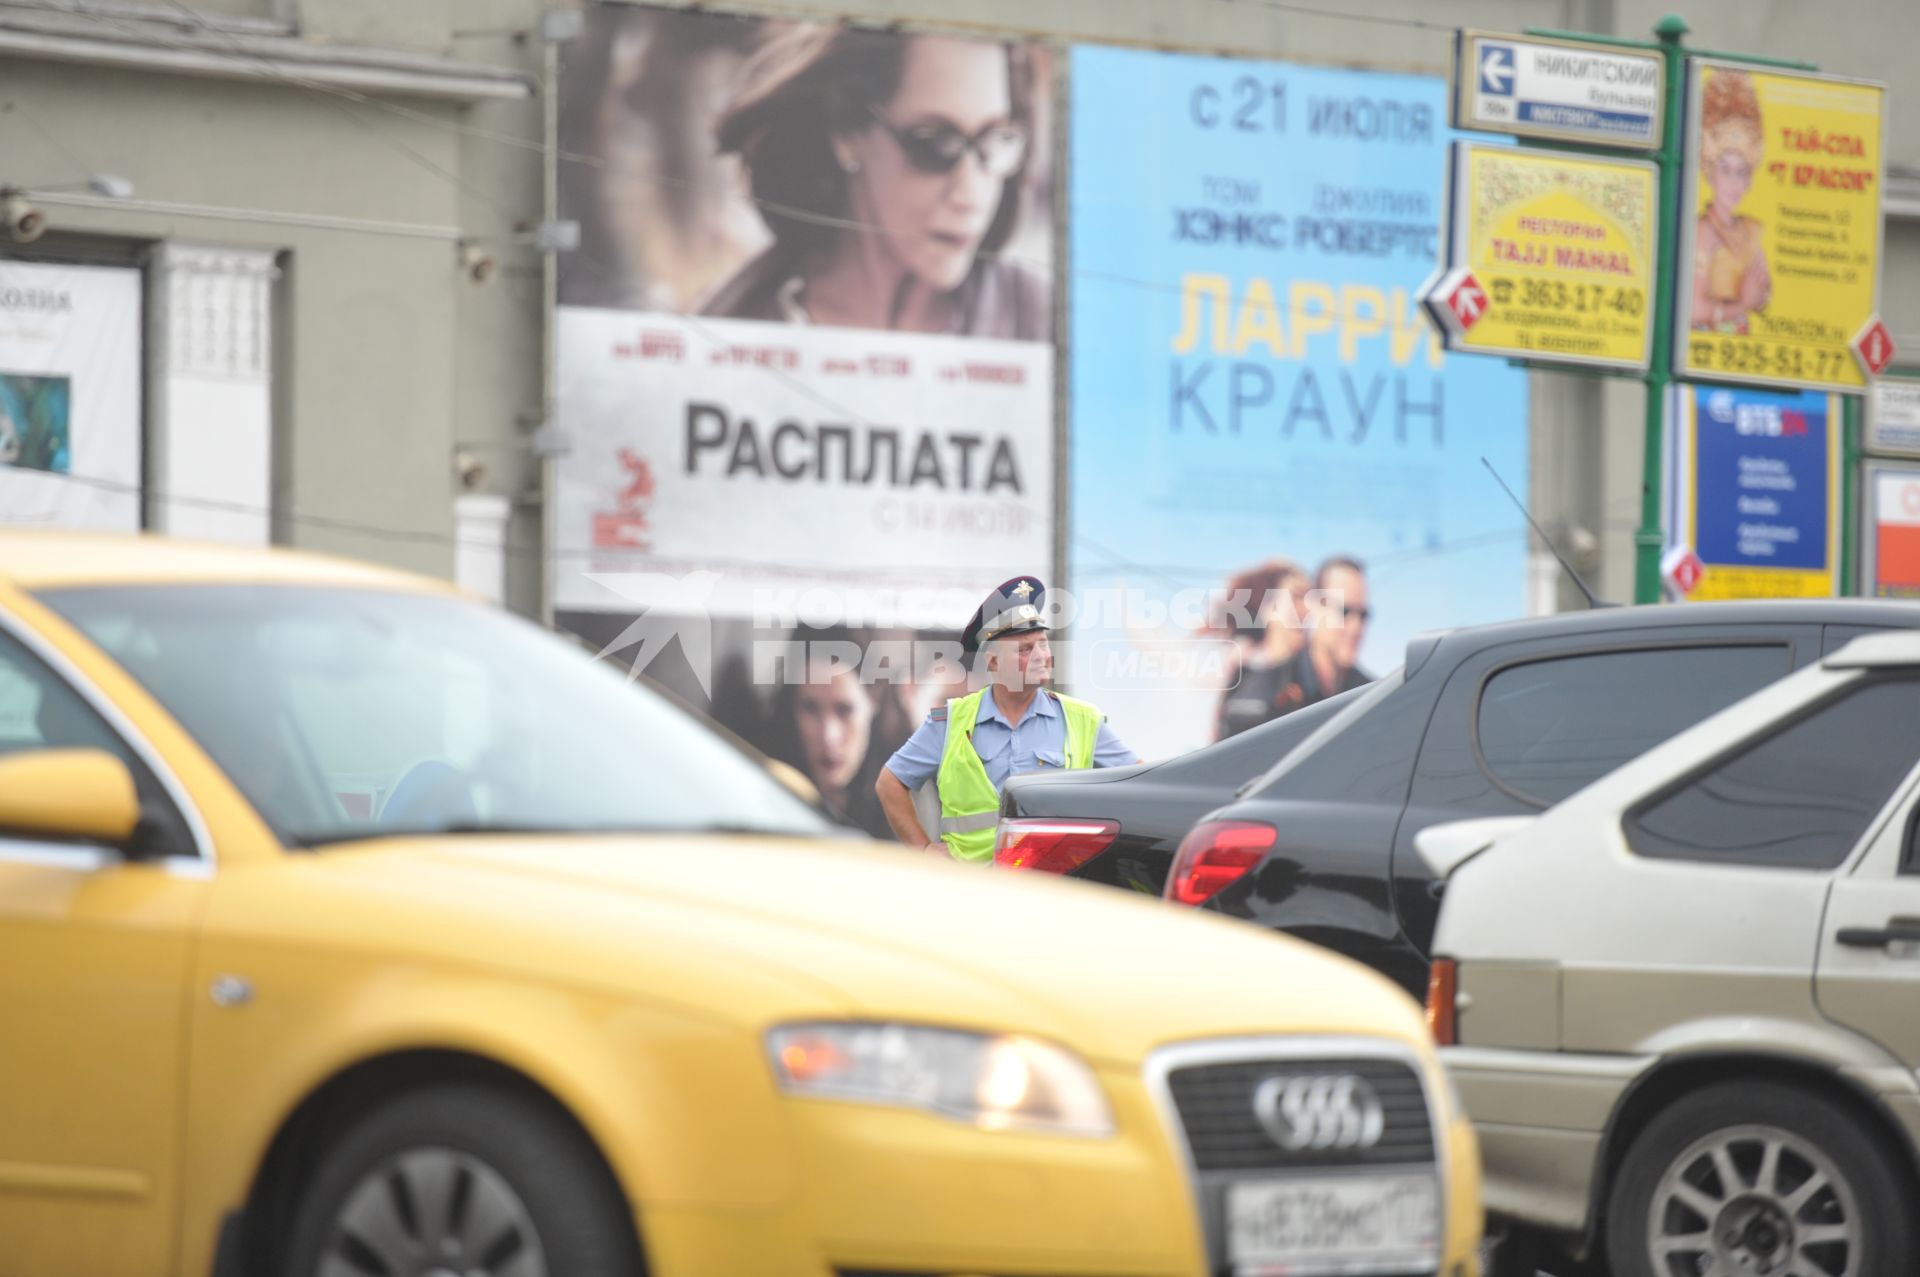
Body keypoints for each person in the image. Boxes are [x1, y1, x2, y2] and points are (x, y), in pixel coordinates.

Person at [700, 27, 1048, 338]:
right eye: (936, 144)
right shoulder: (725, 334)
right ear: (848, 132)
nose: (971, 196)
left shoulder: (1046, 326)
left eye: (997, 141)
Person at [875, 576, 1137, 861]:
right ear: (993, 661)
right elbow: (889, 783)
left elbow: (1140, 784)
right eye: (1025, 649)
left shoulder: (1084, 720)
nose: (1042, 656)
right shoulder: (950, 721)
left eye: (1043, 644)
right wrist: (924, 850)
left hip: (1054, 890)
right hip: (972, 891)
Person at [762, 624, 890, 836]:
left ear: (873, 702)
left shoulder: (909, 798)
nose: (829, 736)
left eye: (844, 710)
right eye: (810, 708)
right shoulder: (762, 790)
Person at [1690, 68, 1771, 335]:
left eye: (1741, 172)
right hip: (1703, 352)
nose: (1733, 183)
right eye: (1726, 170)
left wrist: (1756, 298)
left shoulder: (1748, 231)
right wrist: (1742, 305)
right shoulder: (1701, 232)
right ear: (1711, 172)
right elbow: (1693, 308)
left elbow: (1763, 293)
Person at [1214, 560, 1313, 739]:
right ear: (1268, 606)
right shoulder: (1239, 670)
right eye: (1297, 597)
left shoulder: (1313, 677)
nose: (1307, 609)